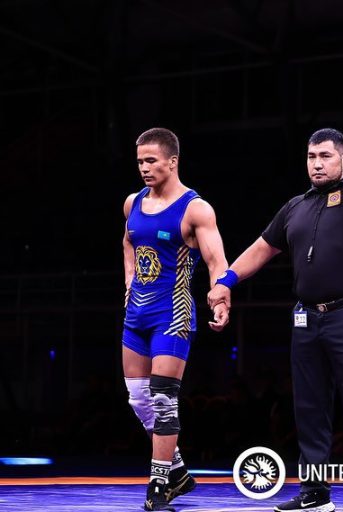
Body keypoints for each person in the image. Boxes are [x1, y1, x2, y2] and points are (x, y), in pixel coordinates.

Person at [207, 51, 343, 512]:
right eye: (311, 156)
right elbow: (260, 249)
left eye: (325, 156)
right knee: (309, 408)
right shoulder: (294, 206)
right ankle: (314, 492)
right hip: (306, 319)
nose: (316, 163)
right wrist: (226, 279)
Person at [122, 127, 230, 511]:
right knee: (139, 399)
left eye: (151, 161)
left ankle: (159, 484)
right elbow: (128, 241)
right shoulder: (132, 203)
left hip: (173, 314)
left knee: (163, 399)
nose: (144, 168)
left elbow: (216, 260)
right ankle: (179, 472)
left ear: (172, 161)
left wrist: (221, 297)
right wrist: (129, 282)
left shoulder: (195, 209)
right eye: (140, 161)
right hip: (136, 314)